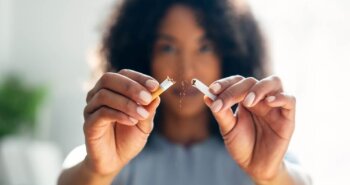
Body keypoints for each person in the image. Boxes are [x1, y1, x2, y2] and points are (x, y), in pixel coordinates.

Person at [58, 0, 311, 184]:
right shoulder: (115, 150)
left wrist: (271, 176)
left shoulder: (260, 149)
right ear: (144, 57)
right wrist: (98, 172)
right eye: (167, 48)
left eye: (205, 47)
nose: (186, 70)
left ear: (229, 55)